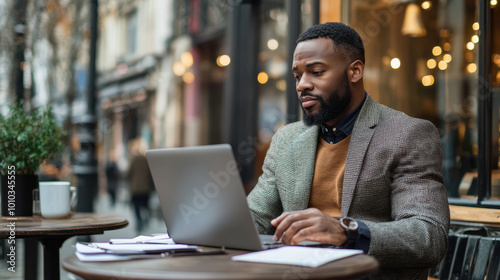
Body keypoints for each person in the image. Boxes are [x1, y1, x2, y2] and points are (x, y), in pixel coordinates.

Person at [247, 22, 450, 280]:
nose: (302, 85)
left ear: (355, 71)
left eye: (316, 72)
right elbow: (257, 216)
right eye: (298, 76)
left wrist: (346, 232)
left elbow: (428, 236)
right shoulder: (287, 139)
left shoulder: (407, 134)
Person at [126, 138, 154, 233]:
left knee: (136, 206)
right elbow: (151, 174)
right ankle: (146, 218)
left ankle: (139, 221)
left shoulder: (133, 160)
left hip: (136, 188)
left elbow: (129, 173)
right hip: (146, 188)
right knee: (145, 204)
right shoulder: (146, 160)